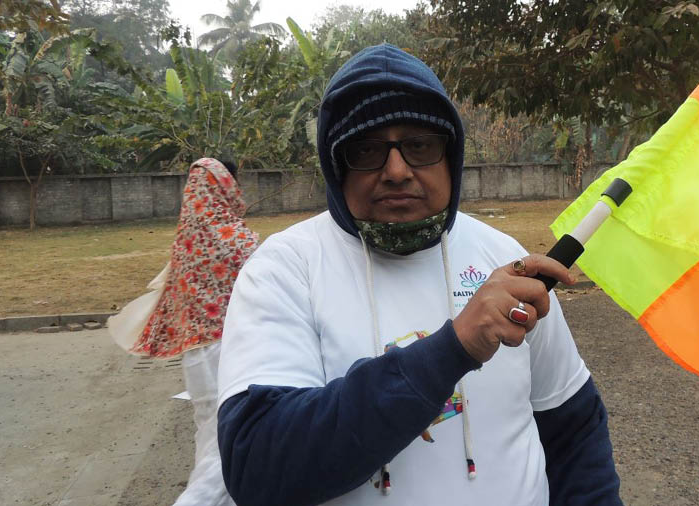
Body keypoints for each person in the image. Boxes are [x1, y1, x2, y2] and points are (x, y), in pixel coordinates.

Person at [216, 44, 621, 505]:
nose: (396, 170)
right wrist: (455, 348)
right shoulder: (285, 269)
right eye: (367, 148)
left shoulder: (504, 258)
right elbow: (259, 467)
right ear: (335, 165)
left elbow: (574, 429)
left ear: (450, 156)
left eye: (419, 145)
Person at [132, 157, 258, 506]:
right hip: (228, 350)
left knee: (209, 430)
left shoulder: (185, 240)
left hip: (194, 354)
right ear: (226, 186)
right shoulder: (237, 239)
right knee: (228, 440)